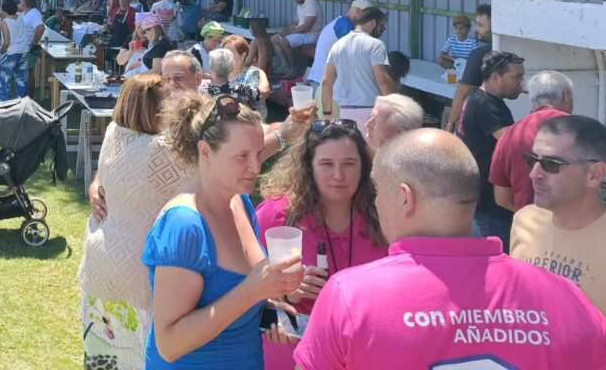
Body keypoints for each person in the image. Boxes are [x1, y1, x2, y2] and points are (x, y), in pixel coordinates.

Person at [293, 129, 606, 369]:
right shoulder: (567, 297)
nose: (375, 203)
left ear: (405, 198)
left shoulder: (350, 297)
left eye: (378, 191)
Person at [143, 91, 303, 368]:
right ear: (205, 151)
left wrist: (265, 309)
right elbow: (169, 345)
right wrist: (252, 292)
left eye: (258, 153)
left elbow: (225, 298)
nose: (256, 167)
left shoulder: (239, 202)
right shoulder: (185, 225)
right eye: (242, 156)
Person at [249, 119, 388, 369]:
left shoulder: (385, 218)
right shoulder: (276, 216)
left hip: (365, 354)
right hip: (293, 356)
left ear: (364, 166)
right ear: (308, 167)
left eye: (349, 164)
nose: (338, 175)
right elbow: (240, 288)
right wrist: (284, 293)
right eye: (326, 164)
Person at [80, 75, 193, 369]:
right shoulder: (163, 151)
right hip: (137, 269)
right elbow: (212, 169)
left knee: (103, 351)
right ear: (154, 110)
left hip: (101, 258)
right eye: (168, 101)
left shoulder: (114, 134)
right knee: (140, 355)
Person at [510, 115, 606, 314]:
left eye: (551, 164)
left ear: (594, 175)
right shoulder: (524, 221)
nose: (534, 174)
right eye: (532, 160)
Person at [459, 50, 525, 249]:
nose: (521, 84)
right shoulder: (484, 104)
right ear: (496, 77)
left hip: (487, 201)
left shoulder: (485, 100)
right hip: (489, 205)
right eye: (516, 77)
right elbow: (512, 142)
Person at [489, 70, 573, 212]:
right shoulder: (582, 130)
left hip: (528, 223)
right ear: (565, 95)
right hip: (576, 222)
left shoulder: (509, 134)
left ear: (532, 99)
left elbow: (502, 198)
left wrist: (532, 215)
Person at [320, 7, 393, 128]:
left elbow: (326, 82)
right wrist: (393, 108)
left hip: (344, 114)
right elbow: (383, 81)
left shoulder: (337, 45)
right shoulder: (376, 45)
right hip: (370, 113)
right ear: (373, 23)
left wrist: (327, 114)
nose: (381, 31)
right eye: (382, 27)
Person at [304, 0, 370, 91]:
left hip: (320, 79)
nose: (367, 20)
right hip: (324, 83)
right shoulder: (344, 25)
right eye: (366, 16)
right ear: (358, 11)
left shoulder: (340, 22)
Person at [446, 2, 492, 132]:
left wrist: (450, 124)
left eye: (481, 25)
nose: (476, 29)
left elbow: (462, 93)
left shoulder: (479, 54)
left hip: (478, 123)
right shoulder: (508, 51)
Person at [275, 0, 323, 71]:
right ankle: (285, 66)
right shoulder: (301, 4)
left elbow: (306, 27)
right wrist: (284, 31)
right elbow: (296, 22)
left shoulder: (311, 4)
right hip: (302, 33)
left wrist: (289, 32)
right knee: (275, 39)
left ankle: (293, 68)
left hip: (311, 35)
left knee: (284, 41)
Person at [0, 0, 31, 101]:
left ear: (4, 10)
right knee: (21, 79)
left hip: (11, 52)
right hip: (24, 50)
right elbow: (15, 14)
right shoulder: (20, 17)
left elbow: (7, 42)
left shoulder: (5, 23)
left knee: (3, 79)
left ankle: (3, 103)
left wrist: (0, 51)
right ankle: (21, 102)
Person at [220, 34, 271, 99]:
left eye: (230, 53)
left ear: (243, 55)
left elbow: (265, 92)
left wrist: (239, 89)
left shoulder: (255, 73)